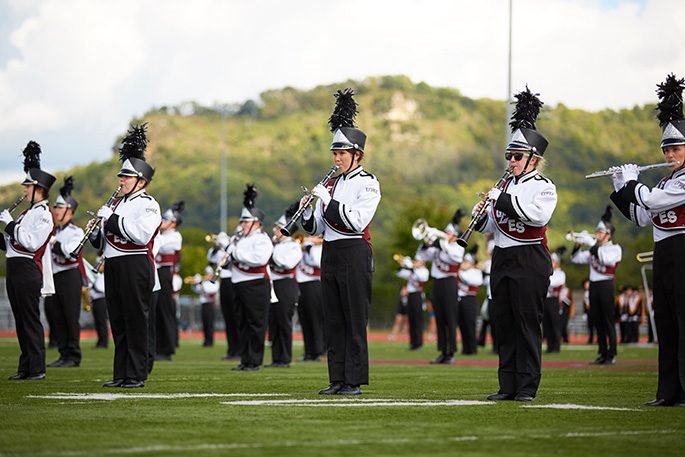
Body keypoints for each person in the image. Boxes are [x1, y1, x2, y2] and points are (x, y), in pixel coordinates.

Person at [473, 87, 557, 402]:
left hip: (530, 258)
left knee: (526, 322)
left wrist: (501, 199)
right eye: (509, 156)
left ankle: (526, 386)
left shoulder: (543, 187)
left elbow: (535, 217)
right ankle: (507, 384)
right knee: (503, 322)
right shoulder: (504, 187)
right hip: (502, 256)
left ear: (533, 159)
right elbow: (492, 225)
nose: (511, 161)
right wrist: (480, 215)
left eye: (517, 156)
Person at [609, 73, 685, 406]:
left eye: (676, 148)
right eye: (666, 149)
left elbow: (652, 203)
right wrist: (619, 189)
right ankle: (668, 392)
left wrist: (632, 184)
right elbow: (643, 216)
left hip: (683, 252)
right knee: (666, 325)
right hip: (663, 254)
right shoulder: (666, 183)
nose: (669, 155)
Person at [301, 88, 381, 395]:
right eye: (334, 154)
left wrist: (329, 201)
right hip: (331, 250)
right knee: (333, 318)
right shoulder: (330, 184)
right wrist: (307, 212)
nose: (336, 159)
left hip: (354, 250)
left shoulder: (368, 183)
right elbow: (318, 227)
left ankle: (354, 380)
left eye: (342, 154)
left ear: (357, 155)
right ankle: (337, 379)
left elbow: (356, 221)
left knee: (353, 318)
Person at [90, 123, 161, 388]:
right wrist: (97, 232)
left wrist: (111, 220)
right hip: (114, 263)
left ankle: (136, 374)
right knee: (118, 321)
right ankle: (120, 373)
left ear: (140, 181)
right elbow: (107, 239)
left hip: (135, 264)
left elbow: (140, 235)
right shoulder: (117, 203)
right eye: (121, 176)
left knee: (135, 319)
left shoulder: (148, 204)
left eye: (126, 177)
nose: (121, 180)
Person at [1, 141, 56, 381]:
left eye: (28, 186)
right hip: (15, 266)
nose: (24, 190)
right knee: (21, 320)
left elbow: (31, 242)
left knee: (30, 319)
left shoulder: (44, 214)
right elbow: (13, 244)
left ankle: (37, 368)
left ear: (39, 189)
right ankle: (26, 366)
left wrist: (10, 225)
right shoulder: (28, 212)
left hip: (27, 269)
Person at [570, 205, 622, 366]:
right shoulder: (595, 249)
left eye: (600, 232)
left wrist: (591, 242)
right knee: (597, 321)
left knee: (607, 320)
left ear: (608, 234)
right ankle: (602, 352)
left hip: (606, 285)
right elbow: (575, 259)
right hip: (594, 286)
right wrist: (578, 244)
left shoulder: (614, 248)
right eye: (597, 232)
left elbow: (604, 258)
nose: (597, 234)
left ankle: (611, 353)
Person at [229, 184, 274, 372]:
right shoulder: (241, 238)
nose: (242, 225)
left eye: (246, 222)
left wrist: (236, 252)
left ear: (256, 223)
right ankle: (245, 358)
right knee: (242, 323)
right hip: (239, 283)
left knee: (256, 323)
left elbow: (259, 259)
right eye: (242, 221)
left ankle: (254, 360)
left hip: (255, 284)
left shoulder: (262, 239)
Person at [45, 176, 86, 368]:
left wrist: (53, 241)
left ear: (69, 211)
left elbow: (69, 253)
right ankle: (63, 353)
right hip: (55, 276)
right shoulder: (56, 232)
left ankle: (73, 355)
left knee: (70, 316)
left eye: (60, 208)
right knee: (57, 316)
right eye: (56, 208)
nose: (57, 211)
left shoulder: (76, 232)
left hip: (70, 275)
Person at [415, 211, 465, 364]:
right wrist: (425, 243)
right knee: (440, 318)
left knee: (450, 317)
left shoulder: (458, 246)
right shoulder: (439, 246)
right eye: (446, 232)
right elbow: (421, 256)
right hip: (437, 283)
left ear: (455, 236)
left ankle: (451, 353)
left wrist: (440, 243)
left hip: (449, 283)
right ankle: (443, 351)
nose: (446, 234)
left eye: (449, 233)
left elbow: (456, 257)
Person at [267, 203, 303, 368]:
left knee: (284, 322)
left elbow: (287, 264)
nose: (275, 231)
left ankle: (285, 358)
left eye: (278, 228)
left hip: (286, 285)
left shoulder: (294, 245)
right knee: (273, 322)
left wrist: (270, 256)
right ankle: (276, 358)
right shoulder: (275, 245)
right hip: (273, 284)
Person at [154, 201, 184, 361]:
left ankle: (166, 349)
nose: (161, 222)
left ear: (173, 223)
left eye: (165, 220)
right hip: (157, 272)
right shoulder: (163, 235)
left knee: (165, 311)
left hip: (166, 274)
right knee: (157, 311)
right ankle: (158, 347)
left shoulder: (174, 236)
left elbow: (157, 245)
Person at [208, 230, 242, 360]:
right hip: (224, 281)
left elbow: (231, 262)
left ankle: (239, 349)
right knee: (227, 316)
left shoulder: (234, 248)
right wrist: (217, 247)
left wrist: (227, 245)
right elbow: (210, 258)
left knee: (235, 316)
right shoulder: (220, 251)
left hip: (233, 280)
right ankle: (231, 349)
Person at [295, 234, 325, 362]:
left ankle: (318, 351)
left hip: (314, 285)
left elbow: (318, 262)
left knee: (315, 319)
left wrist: (309, 248)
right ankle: (308, 351)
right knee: (304, 319)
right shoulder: (302, 249)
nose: (309, 237)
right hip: (302, 286)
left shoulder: (320, 249)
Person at [395, 256, 429, 350]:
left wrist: (410, 267)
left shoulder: (424, 271)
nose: (416, 263)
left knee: (417, 320)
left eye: (418, 261)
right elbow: (399, 273)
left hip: (418, 295)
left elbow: (420, 277)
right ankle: (413, 343)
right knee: (411, 319)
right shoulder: (412, 271)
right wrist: (402, 265)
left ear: (423, 263)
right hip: (410, 295)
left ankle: (418, 343)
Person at [457, 245, 483, 355]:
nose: (464, 263)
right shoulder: (462, 272)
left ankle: (472, 349)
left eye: (466, 262)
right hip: (460, 299)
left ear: (472, 264)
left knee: (469, 325)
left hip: (470, 300)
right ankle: (465, 348)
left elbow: (474, 282)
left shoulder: (476, 272)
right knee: (462, 325)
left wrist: (458, 272)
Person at [191, 266, 220, 347]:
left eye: (208, 274)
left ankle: (210, 341)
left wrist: (201, 283)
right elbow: (196, 289)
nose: (207, 275)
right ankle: (206, 340)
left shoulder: (215, 283)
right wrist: (195, 283)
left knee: (210, 323)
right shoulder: (204, 283)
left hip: (210, 304)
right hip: (203, 304)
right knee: (205, 323)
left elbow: (209, 291)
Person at [543, 247, 566, 353]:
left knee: (554, 323)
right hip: (545, 299)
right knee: (546, 324)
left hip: (553, 300)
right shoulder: (546, 272)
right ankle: (549, 346)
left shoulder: (561, 274)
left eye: (553, 262)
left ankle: (556, 346)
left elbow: (553, 283)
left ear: (558, 263)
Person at [88, 254, 109, 349]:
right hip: (95, 299)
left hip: (101, 299)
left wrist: (94, 287)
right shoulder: (98, 276)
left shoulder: (105, 276)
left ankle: (103, 342)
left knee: (101, 321)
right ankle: (100, 340)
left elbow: (102, 289)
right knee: (97, 321)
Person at [581, 278, 594, 344]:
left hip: (594, 310)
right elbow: (584, 303)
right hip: (588, 311)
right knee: (590, 326)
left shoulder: (594, 291)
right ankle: (591, 338)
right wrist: (585, 312)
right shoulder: (585, 293)